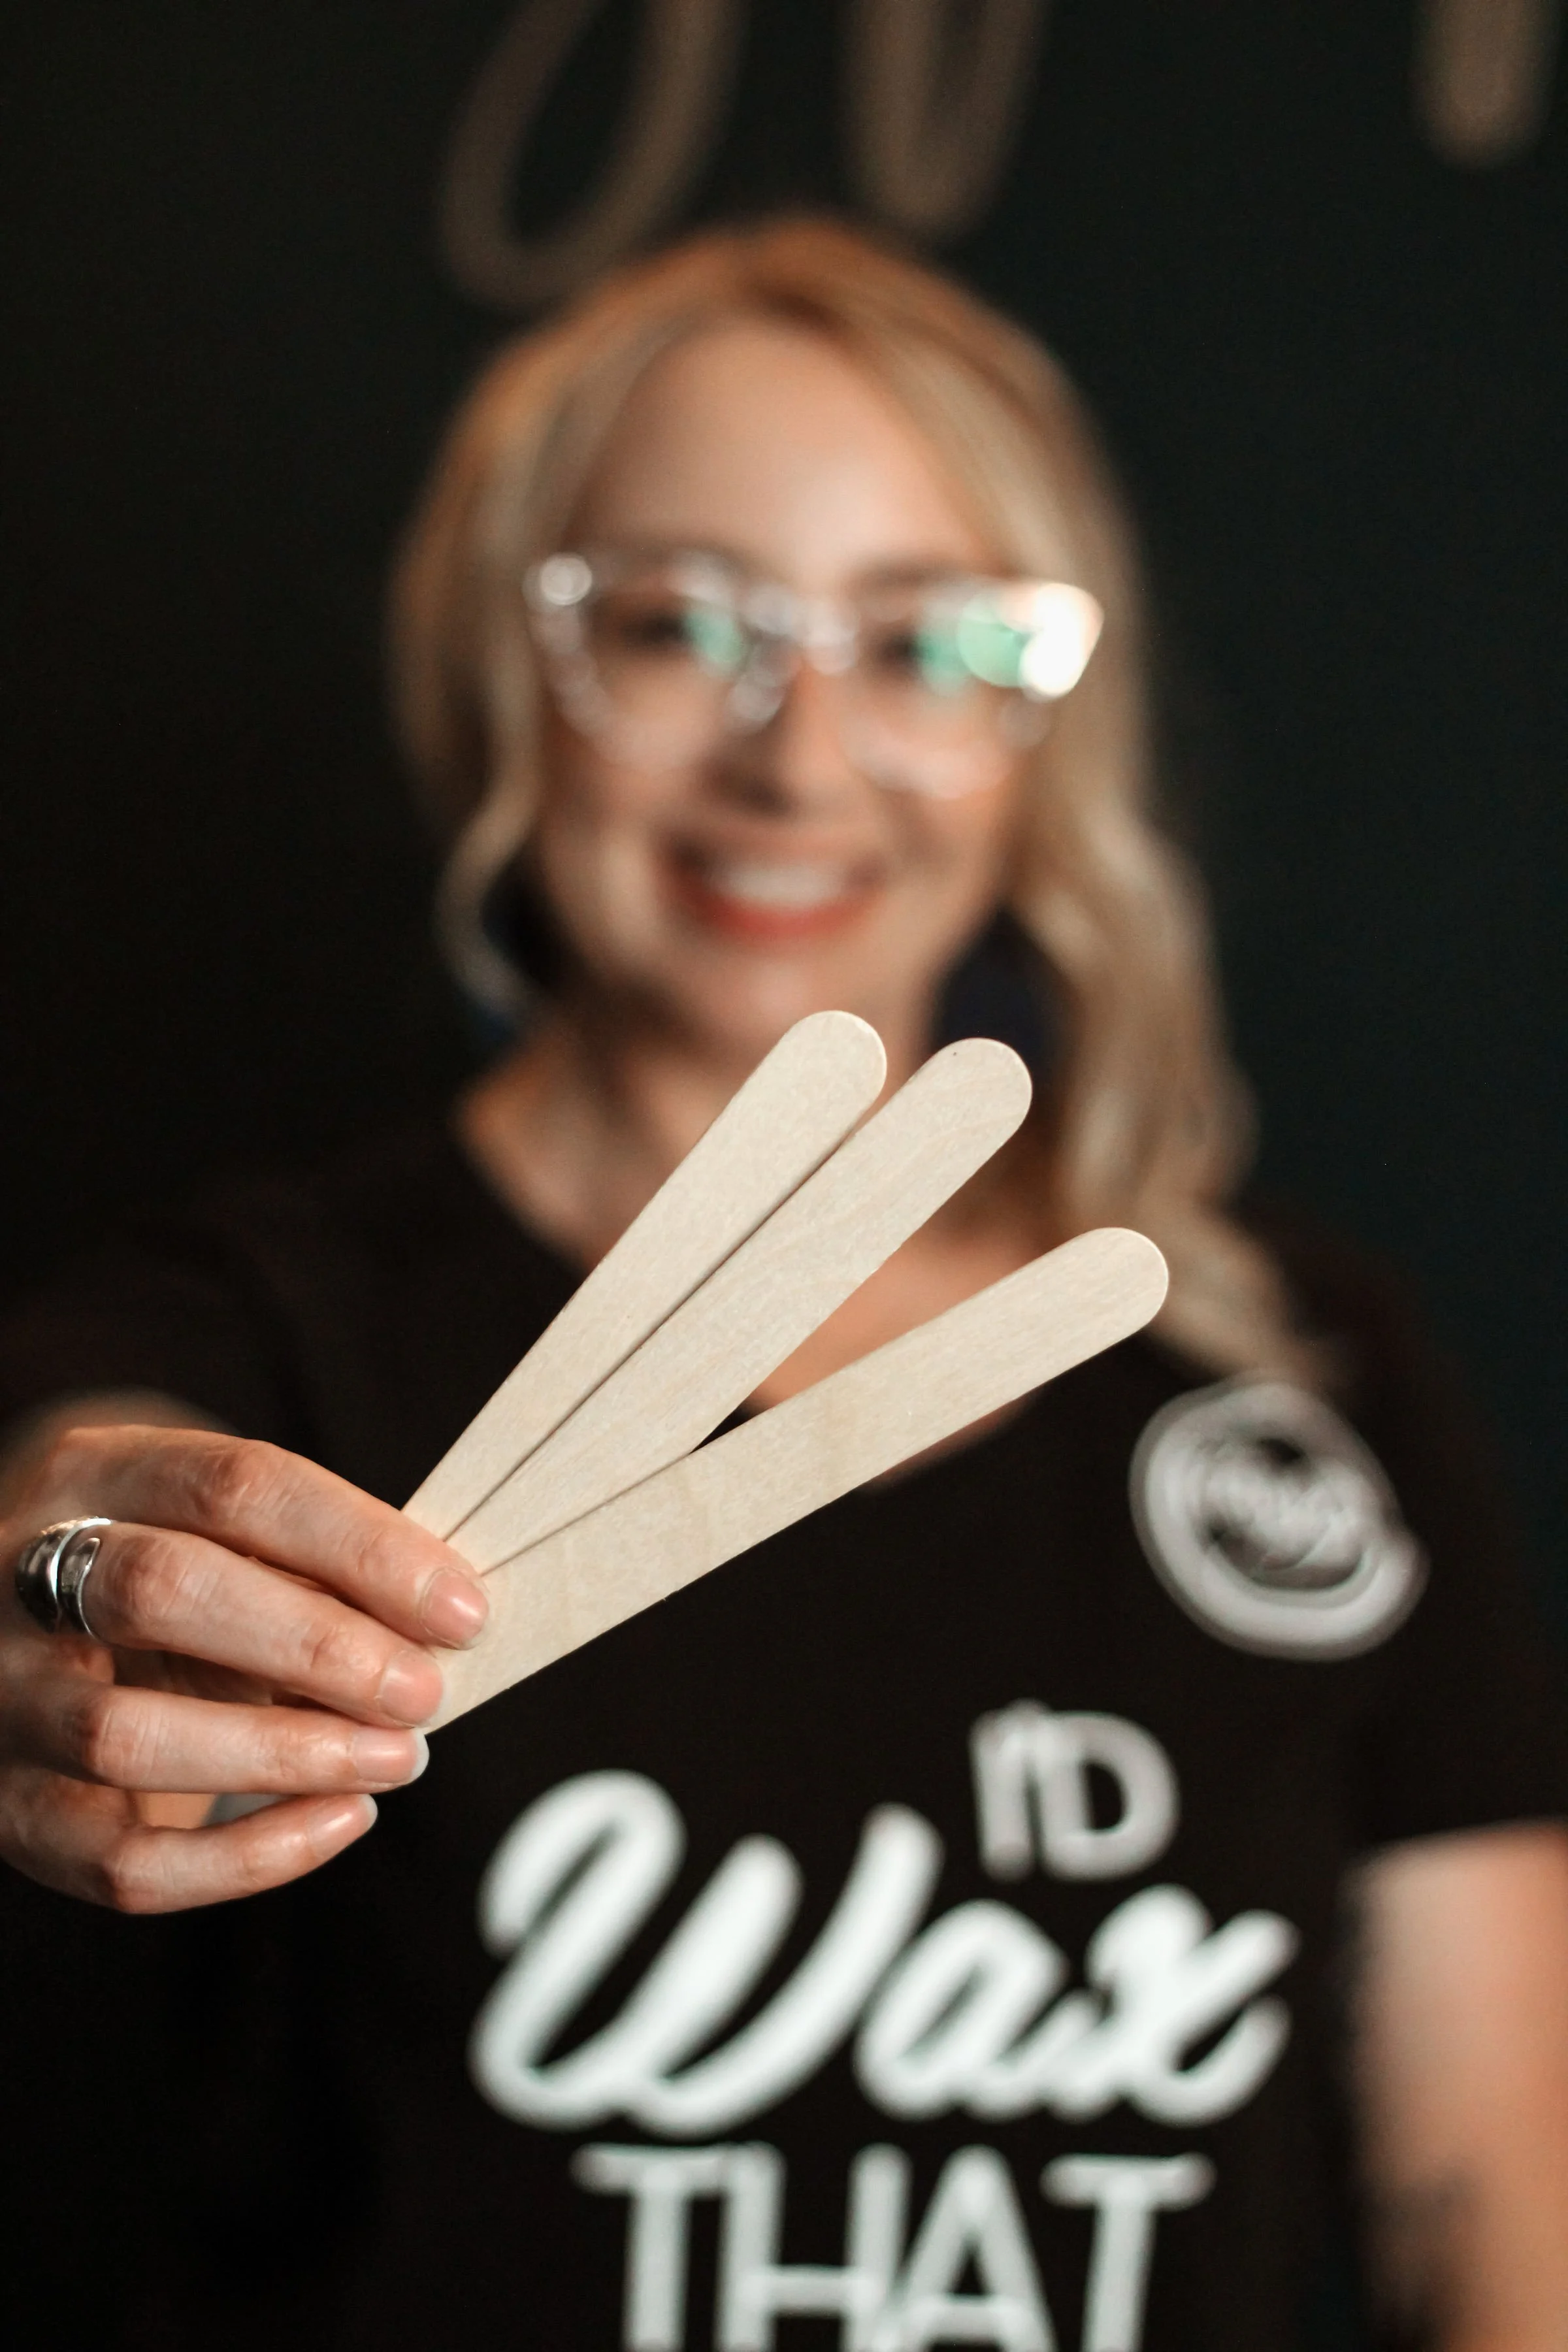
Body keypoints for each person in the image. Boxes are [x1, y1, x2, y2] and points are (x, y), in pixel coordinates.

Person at [0, 218, 1565, 2351]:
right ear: (501, 673)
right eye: (676, 624)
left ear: (1044, 733)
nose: (800, 759)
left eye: (928, 643)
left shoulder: (1309, 1377)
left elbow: (1499, 2214)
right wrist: (75, 1578)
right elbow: (79, 1483)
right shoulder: (263, 1327)